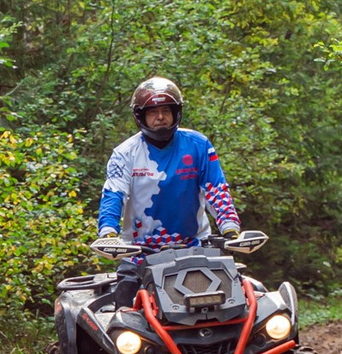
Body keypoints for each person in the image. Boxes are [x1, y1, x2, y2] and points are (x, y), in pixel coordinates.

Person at [96, 76, 243, 254]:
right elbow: (114, 194)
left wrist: (230, 228)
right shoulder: (124, 153)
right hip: (139, 252)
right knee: (126, 275)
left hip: (196, 248)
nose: (160, 117)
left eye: (166, 110)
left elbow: (216, 189)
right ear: (141, 116)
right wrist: (108, 233)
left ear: (176, 112)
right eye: (153, 112)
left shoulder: (198, 145)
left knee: (232, 272)